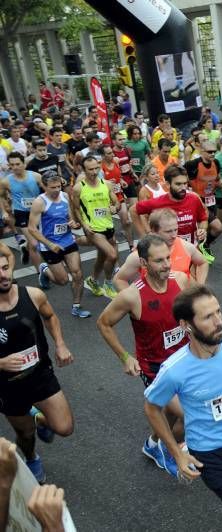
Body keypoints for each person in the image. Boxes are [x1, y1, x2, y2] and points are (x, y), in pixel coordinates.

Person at [144, 285, 222, 530]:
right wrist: (177, 453)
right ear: (186, 325)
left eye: (219, 312)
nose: (219, 321)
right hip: (210, 450)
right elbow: (152, 408)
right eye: (208, 317)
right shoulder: (174, 369)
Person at [97, 235, 190, 478]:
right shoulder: (132, 296)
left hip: (184, 360)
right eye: (159, 261)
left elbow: (191, 313)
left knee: (171, 415)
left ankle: (153, 444)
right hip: (156, 369)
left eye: (168, 258)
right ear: (144, 263)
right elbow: (104, 323)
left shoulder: (179, 280)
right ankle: (169, 449)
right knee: (191, 415)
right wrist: (125, 357)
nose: (167, 265)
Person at [0, 244, 74, 484]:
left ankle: (39, 417)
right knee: (25, 434)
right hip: (7, 386)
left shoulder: (32, 294)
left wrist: (60, 344)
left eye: (4, 268)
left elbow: (50, 316)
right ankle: (31, 457)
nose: (3, 275)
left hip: (40, 374)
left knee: (64, 427)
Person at [27, 172, 90, 317]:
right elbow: (32, 228)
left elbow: (70, 217)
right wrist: (49, 244)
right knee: (62, 281)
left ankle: (76, 306)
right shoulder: (39, 202)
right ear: (44, 186)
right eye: (52, 187)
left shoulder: (65, 196)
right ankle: (44, 270)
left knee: (77, 274)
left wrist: (73, 223)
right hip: (49, 245)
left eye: (58, 186)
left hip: (68, 240)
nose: (56, 190)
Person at [113, 208, 209, 289]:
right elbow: (119, 279)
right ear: (154, 231)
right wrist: (135, 304)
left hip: (184, 304)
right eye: (168, 231)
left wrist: (200, 287)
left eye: (175, 229)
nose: (174, 235)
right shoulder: (139, 254)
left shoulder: (186, 246)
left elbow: (203, 263)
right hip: (157, 307)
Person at [71, 156, 120, 298]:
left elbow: (117, 203)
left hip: (108, 225)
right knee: (112, 255)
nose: (94, 172)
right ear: (83, 170)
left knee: (102, 256)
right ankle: (108, 283)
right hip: (93, 228)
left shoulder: (107, 184)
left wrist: (114, 208)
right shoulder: (79, 188)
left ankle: (92, 280)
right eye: (90, 169)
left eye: (96, 168)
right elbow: (75, 208)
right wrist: (84, 224)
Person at [132, 164, 211, 250]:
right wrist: (144, 236)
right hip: (169, 253)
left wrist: (202, 230)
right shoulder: (158, 202)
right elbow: (133, 211)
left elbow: (203, 219)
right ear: (168, 184)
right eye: (178, 184)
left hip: (192, 249)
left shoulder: (194, 199)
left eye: (185, 183)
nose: (183, 188)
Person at [1, 152, 43, 266]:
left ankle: (25, 247)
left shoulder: (36, 176)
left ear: (24, 164)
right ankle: (40, 273)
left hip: (37, 212)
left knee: (37, 241)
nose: (15, 167)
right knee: (34, 244)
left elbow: (48, 190)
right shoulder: (6, 181)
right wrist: (4, 211)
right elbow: (0, 195)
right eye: (12, 165)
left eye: (17, 164)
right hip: (21, 213)